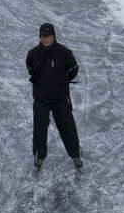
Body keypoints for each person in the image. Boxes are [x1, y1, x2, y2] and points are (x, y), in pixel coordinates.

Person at [26, 23, 82, 170]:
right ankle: (39, 155)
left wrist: (61, 81)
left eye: (48, 36)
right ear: (40, 37)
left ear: (53, 36)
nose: (46, 39)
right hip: (41, 99)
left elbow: (74, 69)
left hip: (60, 99)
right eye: (43, 36)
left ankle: (75, 154)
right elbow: (30, 68)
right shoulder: (33, 53)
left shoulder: (64, 52)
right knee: (39, 129)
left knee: (67, 128)